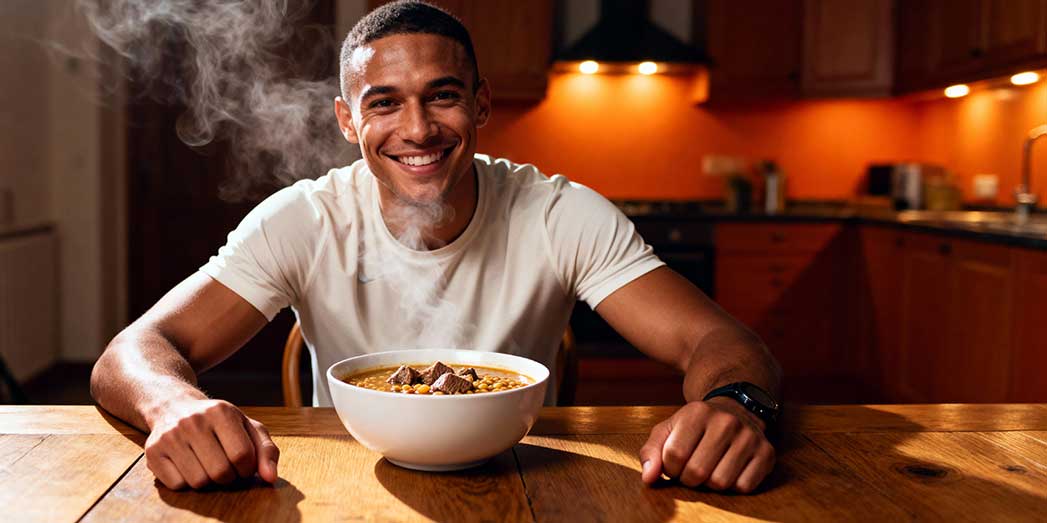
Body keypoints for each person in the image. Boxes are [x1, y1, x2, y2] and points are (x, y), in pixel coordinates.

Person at [91, 0, 782, 494]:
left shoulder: (557, 212)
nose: (416, 129)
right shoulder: (305, 218)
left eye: (441, 96)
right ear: (345, 119)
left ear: (480, 105)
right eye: (383, 103)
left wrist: (734, 405)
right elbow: (131, 353)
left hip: (522, 478)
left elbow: (721, 343)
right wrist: (171, 404)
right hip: (346, 483)